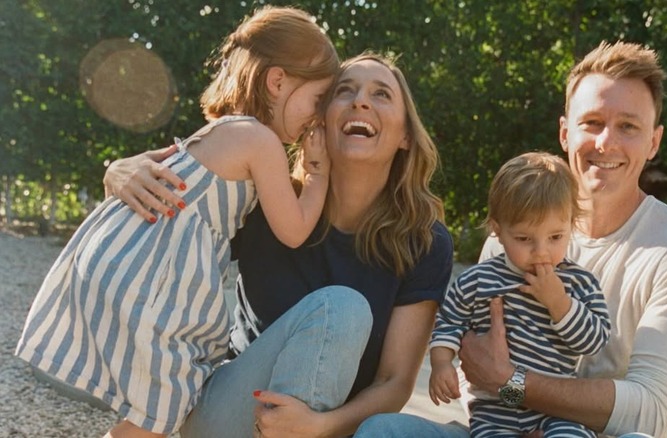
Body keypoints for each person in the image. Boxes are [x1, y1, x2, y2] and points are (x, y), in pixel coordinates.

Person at [355, 41, 667, 438]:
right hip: (506, 429)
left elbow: (651, 412)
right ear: (565, 133)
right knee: (383, 430)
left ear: (654, 141)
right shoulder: (510, 238)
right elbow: (477, 370)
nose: (605, 143)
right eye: (593, 123)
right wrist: (508, 406)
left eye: (628, 126)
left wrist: (515, 385)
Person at [15, 6, 339, 437]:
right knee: (161, 409)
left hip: (127, 259)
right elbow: (294, 230)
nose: (315, 118)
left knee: (148, 413)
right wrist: (317, 173)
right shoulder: (260, 142)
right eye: (317, 100)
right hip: (157, 284)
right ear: (277, 81)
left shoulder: (218, 130)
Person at [101, 52, 454, 437]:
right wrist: (119, 172)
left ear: (405, 135)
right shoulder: (269, 201)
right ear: (319, 122)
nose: (361, 101)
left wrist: (320, 425)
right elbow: (171, 231)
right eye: (345, 91)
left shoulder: (424, 241)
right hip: (230, 414)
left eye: (381, 94)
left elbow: (394, 383)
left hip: (328, 429)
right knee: (344, 308)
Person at [428, 152, 611, 437]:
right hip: (494, 411)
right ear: (498, 231)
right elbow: (448, 323)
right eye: (524, 239)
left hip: (554, 410)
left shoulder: (579, 283)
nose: (541, 251)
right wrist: (441, 364)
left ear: (571, 225)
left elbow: (594, 341)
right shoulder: (477, 281)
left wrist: (559, 303)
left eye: (555, 237)